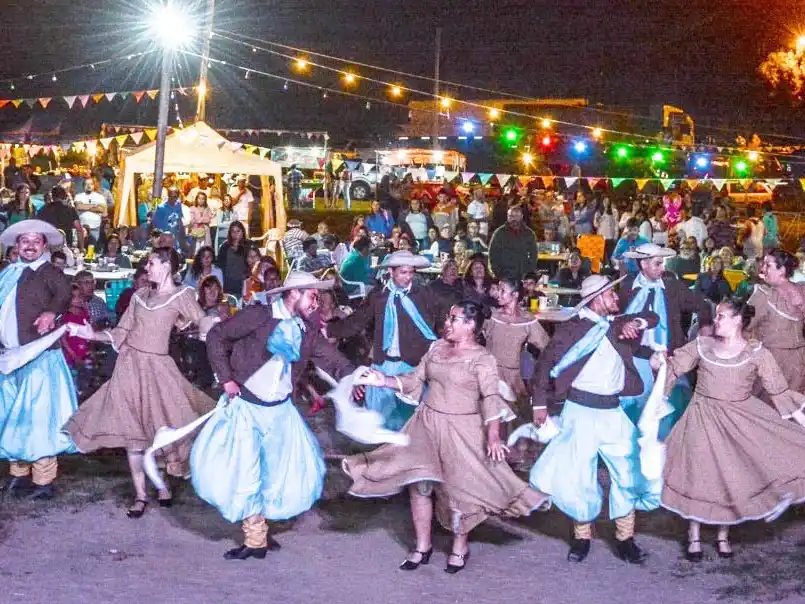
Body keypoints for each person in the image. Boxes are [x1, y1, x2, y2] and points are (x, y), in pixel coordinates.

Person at [344, 300, 550, 573]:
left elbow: (491, 398)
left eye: (454, 319)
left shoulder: (482, 359)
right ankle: (422, 546)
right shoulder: (437, 348)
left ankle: (459, 546)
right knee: (419, 484)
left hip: (463, 429)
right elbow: (414, 379)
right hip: (426, 423)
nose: (447, 324)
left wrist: (493, 436)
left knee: (458, 489)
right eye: (448, 318)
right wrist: (384, 380)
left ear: (471, 326)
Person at [197, 271, 354, 560]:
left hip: (281, 411)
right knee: (247, 473)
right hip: (247, 407)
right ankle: (255, 539)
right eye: (312, 296)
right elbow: (217, 335)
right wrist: (226, 379)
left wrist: (355, 376)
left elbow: (330, 357)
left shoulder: (306, 328)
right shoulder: (258, 316)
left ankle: (261, 533)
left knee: (275, 474)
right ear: (293, 293)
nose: (316, 302)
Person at [64, 247, 217, 517]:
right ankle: (140, 495)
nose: (147, 268)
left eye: (151, 263)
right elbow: (120, 332)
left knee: (160, 427)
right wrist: (90, 334)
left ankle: (162, 486)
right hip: (129, 367)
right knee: (132, 432)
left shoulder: (182, 295)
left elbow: (201, 320)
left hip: (158, 370)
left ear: (167, 266)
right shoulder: (139, 295)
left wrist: (214, 326)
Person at [651, 297, 805, 561]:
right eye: (716, 315)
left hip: (738, 422)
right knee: (699, 474)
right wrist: (659, 363)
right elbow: (674, 368)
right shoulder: (702, 345)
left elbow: (778, 390)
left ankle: (723, 536)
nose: (716, 320)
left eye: (721, 316)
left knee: (730, 477)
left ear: (738, 320)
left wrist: (801, 420)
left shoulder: (757, 353)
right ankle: (694, 536)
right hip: (701, 417)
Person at [529, 275, 660, 563]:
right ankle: (581, 537)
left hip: (613, 412)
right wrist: (539, 404)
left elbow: (652, 317)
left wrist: (636, 323)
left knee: (629, 472)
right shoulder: (571, 329)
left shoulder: (618, 323)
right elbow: (544, 365)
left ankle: (625, 538)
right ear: (598, 298)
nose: (616, 298)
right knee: (579, 476)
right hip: (579, 411)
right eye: (611, 294)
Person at [326, 251, 445, 430]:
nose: (408, 277)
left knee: (410, 420)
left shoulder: (422, 293)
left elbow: (438, 319)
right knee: (380, 418)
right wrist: (330, 330)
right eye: (403, 272)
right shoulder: (378, 296)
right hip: (384, 363)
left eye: (411, 272)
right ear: (391, 271)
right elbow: (357, 321)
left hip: (412, 365)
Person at [0, 220, 76, 499]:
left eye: (35, 241)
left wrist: (51, 312)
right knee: (14, 417)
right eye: (25, 241)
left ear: (44, 246)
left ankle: (44, 481)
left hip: (39, 357)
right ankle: (19, 474)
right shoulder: (9, 272)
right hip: (10, 358)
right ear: (17, 245)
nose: (30, 246)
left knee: (38, 418)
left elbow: (65, 293)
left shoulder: (49, 272)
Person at [618, 243, 713, 434]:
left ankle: (668, 443)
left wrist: (705, 329)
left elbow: (703, 305)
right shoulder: (627, 286)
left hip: (668, 356)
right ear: (643, 264)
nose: (662, 268)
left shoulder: (673, 287)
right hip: (635, 357)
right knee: (634, 405)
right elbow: (616, 317)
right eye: (657, 263)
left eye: (662, 263)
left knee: (669, 406)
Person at [747, 250, 805, 394]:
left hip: (786, 365)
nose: (762, 268)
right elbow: (744, 325)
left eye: (768, 265)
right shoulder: (764, 295)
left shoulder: (764, 295)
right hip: (784, 364)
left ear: (782, 270)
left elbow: (742, 326)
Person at [485, 277, 549, 401]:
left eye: (502, 290)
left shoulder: (527, 321)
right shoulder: (493, 316)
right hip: (490, 375)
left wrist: (541, 372)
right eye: (498, 289)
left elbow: (546, 346)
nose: (498, 294)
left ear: (515, 294)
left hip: (513, 378)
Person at [488, 206, 538, 280]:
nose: (514, 219)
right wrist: (498, 273)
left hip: (523, 276)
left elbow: (534, 254)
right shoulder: (499, 233)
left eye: (516, 216)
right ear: (507, 217)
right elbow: (493, 254)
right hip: (504, 276)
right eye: (511, 216)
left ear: (521, 216)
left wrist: (529, 272)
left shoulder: (529, 234)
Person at [37, 185, 84, 250]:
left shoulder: (43, 209)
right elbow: (79, 229)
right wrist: (82, 248)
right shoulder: (70, 209)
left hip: (49, 246)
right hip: (65, 246)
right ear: (64, 196)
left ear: (52, 196)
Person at [216, 221, 253, 296]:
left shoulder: (249, 245)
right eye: (233, 231)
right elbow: (219, 266)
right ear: (230, 233)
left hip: (244, 284)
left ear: (243, 232)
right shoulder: (224, 246)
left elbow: (254, 264)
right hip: (228, 284)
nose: (235, 234)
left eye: (238, 231)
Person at [152, 186, 186, 250]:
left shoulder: (178, 205)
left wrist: (182, 235)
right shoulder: (161, 208)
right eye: (170, 196)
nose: (172, 199)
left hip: (175, 239)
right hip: (165, 240)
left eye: (175, 197)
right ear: (168, 195)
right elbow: (156, 227)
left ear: (178, 196)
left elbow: (179, 220)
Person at [594, 198, 619, 263]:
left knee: (610, 256)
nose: (606, 202)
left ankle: (610, 268)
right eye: (604, 200)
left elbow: (616, 224)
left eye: (608, 201)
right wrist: (598, 219)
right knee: (601, 258)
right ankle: (603, 268)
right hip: (600, 236)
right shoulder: (598, 212)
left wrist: (616, 236)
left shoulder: (614, 211)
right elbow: (595, 225)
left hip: (610, 237)